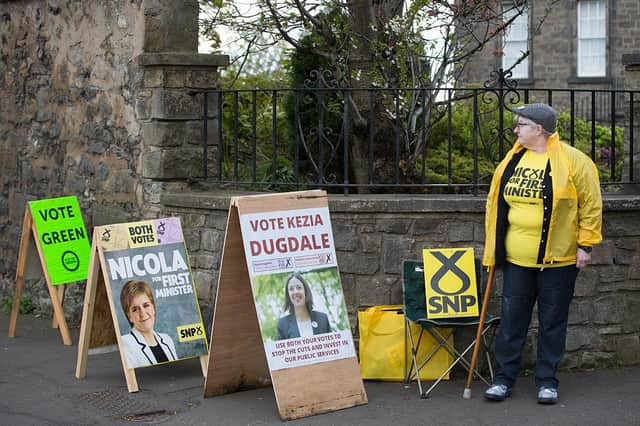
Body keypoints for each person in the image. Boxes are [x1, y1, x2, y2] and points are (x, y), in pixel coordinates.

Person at [482, 103, 602, 404]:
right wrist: (494, 251)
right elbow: (495, 205)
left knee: (552, 321)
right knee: (512, 320)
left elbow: (591, 205)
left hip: (558, 260)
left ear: (539, 129)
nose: (515, 129)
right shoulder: (512, 159)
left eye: (520, 124)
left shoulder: (575, 161)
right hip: (517, 260)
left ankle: (547, 381)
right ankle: (503, 379)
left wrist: (585, 245)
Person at [119, 279, 178, 369]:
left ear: (153, 307)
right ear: (129, 316)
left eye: (146, 305)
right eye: (135, 309)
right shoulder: (125, 344)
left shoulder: (167, 340)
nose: (142, 314)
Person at [277, 272, 332, 340]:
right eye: (291, 289)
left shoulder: (322, 319)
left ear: (305, 291)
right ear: (288, 295)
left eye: (299, 287)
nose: (295, 292)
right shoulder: (283, 324)